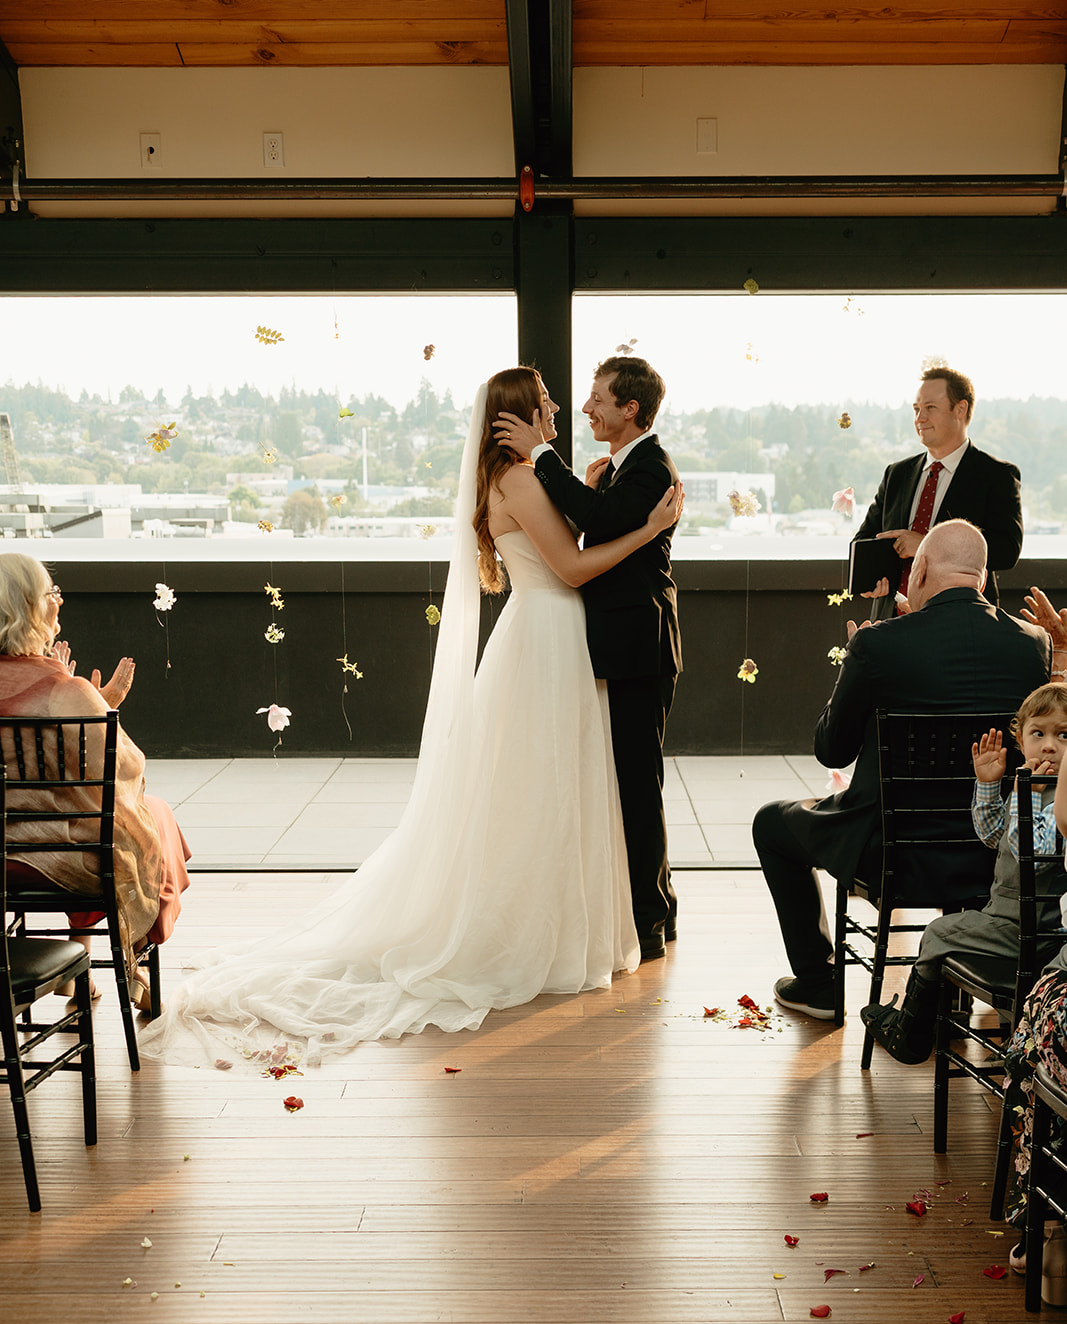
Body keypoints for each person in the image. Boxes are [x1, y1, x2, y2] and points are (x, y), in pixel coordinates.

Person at [140, 369, 683, 1068]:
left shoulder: (523, 477)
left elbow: (580, 527)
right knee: (545, 787)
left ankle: (565, 915)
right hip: (549, 634)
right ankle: (544, 925)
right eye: (546, 403)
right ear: (515, 417)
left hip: (546, 635)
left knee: (544, 787)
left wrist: (600, 488)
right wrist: (652, 529)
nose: (561, 410)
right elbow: (574, 569)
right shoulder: (520, 480)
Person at [752, 520, 1053, 1021]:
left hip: (892, 850)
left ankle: (820, 983)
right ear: (980, 579)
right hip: (994, 851)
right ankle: (951, 995)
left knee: (770, 822)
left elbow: (831, 750)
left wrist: (857, 659)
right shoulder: (1033, 644)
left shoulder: (879, 645)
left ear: (922, 569)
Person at [493, 355, 682, 962]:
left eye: (598, 398)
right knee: (620, 779)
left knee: (635, 782)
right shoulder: (619, 469)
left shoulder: (651, 467)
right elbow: (585, 533)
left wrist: (547, 459)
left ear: (631, 409)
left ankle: (651, 919)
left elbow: (596, 523)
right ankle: (654, 909)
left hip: (636, 648)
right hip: (603, 643)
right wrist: (610, 501)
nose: (583, 408)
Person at [0, 551, 191, 1007]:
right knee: (137, 822)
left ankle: (77, 974)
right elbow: (124, 772)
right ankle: (135, 961)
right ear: (29, 605)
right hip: (58, 860)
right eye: (52, 593)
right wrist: (100, 709)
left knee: (96, 825)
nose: (59, 603)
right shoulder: (65, 693)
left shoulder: (63, 690)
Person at [861, 680, 1067, 1064]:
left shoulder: (1057, 797)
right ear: (1021, 740)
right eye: (1038, 733)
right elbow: (993, 836)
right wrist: (989, 785)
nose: (1050, 745)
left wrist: (1031, 789)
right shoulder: (1030, 783)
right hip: (1005, 921)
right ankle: (921, 1023)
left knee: (939, 932)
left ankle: (910, 1032)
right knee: (949, 933)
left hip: (1034, 931)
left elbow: (1032, 855)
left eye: (1064, 735)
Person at [853, 365, 1023, 621]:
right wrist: (871, 579)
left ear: (960, 409)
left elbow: (1007, 550)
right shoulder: (896, 474)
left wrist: (925, 544)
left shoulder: (996, 475)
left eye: (930, 408)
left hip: (963, 625)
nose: (919, 418)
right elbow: (864, 541)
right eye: (916, 409)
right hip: (891, 624)